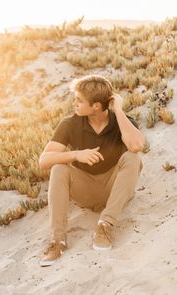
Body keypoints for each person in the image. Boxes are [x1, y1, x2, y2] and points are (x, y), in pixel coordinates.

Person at [38, 75, 144, 267]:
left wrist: (118, 110)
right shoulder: (70, 123)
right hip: (86, 190)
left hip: (115, 191)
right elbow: (44, 160)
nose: (74, 103)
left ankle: (105, 225)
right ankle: (57, 240)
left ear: (96, 106)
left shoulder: (122, 121)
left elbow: (136, 145)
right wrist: (76, 155)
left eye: (79, 100)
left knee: (133, 157)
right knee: (59, 168)